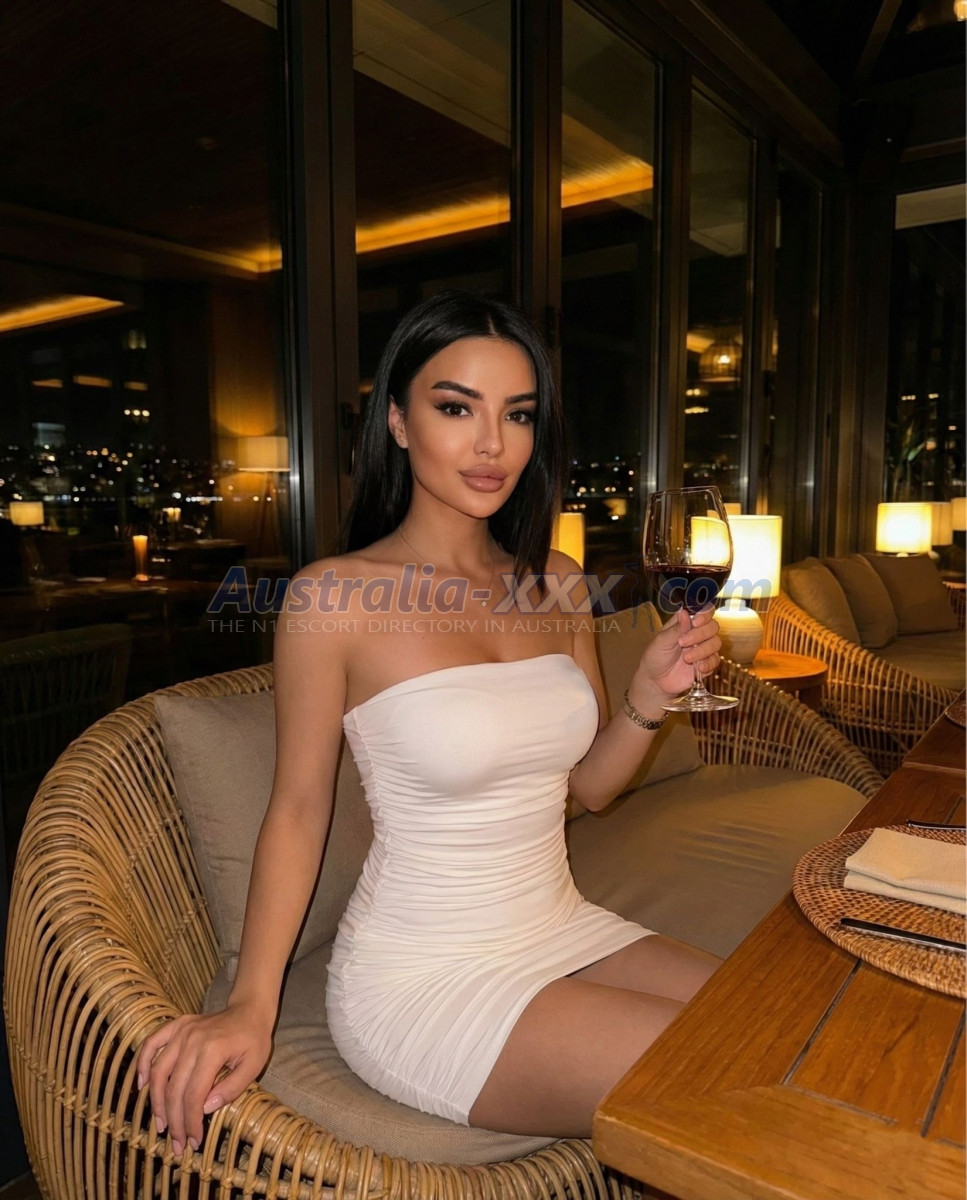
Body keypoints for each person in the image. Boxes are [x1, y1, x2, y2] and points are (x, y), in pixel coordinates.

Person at [138, 289, 722, 1154]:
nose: (492, 444)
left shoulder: (558, 580)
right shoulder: (333, 597)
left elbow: (589, 791)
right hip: (424, 978)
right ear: (398, 421)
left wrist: (650, 691)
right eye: (456, 408)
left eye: (516, 414)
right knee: (723, 1070)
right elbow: (297, 810)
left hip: (558, 924)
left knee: (781, 1018)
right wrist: (250, 1006)